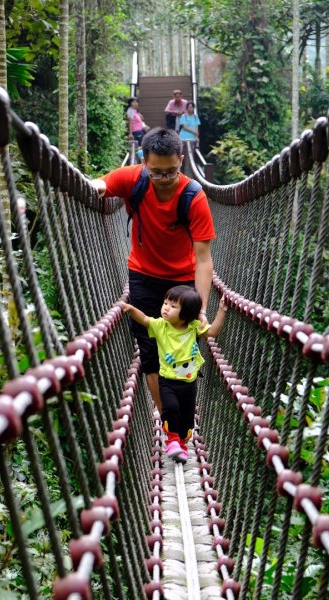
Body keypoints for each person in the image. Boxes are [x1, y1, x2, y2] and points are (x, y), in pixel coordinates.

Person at [91, 127, 215, 413]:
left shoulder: (194, 197)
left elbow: (204, 258)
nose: (164, 180)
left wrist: (203, 308)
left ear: (181, 160)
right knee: (149, 356)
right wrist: (91, 186)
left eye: (171, 172)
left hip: (182, 282)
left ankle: (180, 415)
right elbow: (100, 184)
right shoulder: (133, 179)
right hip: (143, 277)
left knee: (180, 352)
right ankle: (170, 423)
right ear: (143, 162)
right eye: (156, 172)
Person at [121, 287, 227, 463]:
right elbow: (145, 319)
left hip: (189, 383)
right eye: (165, 303)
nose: (166, 308)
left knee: (187, 421)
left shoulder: (194, 327)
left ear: (187, 314)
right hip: (167, 381)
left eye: (173, 306)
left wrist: (222, 311)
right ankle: (172, 440)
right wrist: (130, 309)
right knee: (170, 408)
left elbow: (213, 332)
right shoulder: (161, 326)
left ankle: (182, 444)